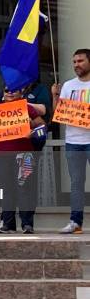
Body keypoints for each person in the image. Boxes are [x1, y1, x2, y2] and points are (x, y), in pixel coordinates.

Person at [0, 87, 45, 234]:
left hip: (25, 155)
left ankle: (27, 224)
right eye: (6, 90)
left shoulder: (27, 108)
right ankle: (8, 224)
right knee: (6, 190)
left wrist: (33, 131)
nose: (10, 92)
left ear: (21, 94)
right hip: (1, 155)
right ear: (2, 94)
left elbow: (43, 128)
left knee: (25, 188)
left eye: (14, 90)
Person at [51, 48, 90, 234]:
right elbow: (58, 113)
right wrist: (55, 96)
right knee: (76, 183)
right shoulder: (68, 85)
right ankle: (75, 222)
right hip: (73, 141)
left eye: (81, 61)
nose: (77, 65)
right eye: (74, 62)